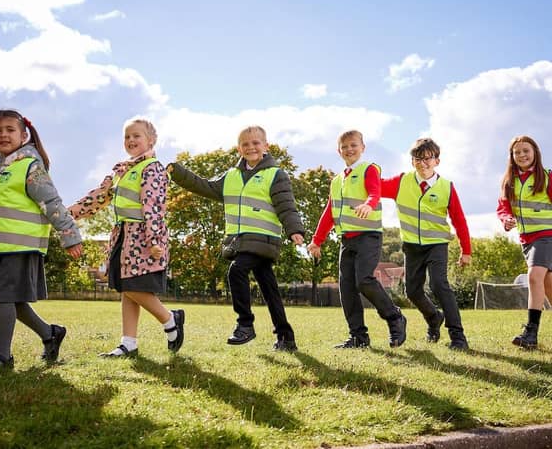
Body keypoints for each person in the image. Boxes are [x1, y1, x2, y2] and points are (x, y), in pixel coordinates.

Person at [0, 109, 83, 372]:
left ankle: (2, 357)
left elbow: (51, 203)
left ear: (24, 134)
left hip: (21, 246)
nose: (3, 134)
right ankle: (50, 334)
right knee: (14, 301)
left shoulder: (30, 166)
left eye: (10, 129)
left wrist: (70, 236)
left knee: (4, 298)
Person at [168, 125, 304, 351]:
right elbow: (205, 186)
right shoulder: (231, 176)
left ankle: (245, 325)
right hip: (240, 241)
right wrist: (177, 173)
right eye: (245, 144)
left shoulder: (275, 175)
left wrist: (294, 230)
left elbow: (287, 206)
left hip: (264, 239)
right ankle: (286, 337)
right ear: (239, 149)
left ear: (266, 146)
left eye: (256, 143)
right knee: (269, 289)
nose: (251, 147)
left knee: (236, 270)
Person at [69, 118, 184, 358]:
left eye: (136, 136)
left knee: (132, 285)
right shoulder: (122, 171)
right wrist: (69, 214)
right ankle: (128, 342)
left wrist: (154, 241)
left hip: (143, 237)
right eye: (127, 137)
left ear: (151, 140)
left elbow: (154, 207)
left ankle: (169, 318)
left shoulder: (152, 168)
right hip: (122, 234)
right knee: (125, 287)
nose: (131, 140)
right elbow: (99, 197)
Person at [308, 130, 407, 349]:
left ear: (363, 147)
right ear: (339, 151)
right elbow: (330, 211)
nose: (349, 150)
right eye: (345, 147)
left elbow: (375, 192)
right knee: (347, 288)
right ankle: (358, 337)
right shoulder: (336, 181)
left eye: (354, 145)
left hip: (368, 236)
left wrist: (368, 205)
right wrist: (317, 240)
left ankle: (394, 318)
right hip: (347, 240)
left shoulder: (368, 169)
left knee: (364, 280)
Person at [381, 137, 471, 350]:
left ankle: (458, 337)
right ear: (412, 161)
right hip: (412, 246)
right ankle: (433, 318)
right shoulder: (401, 182)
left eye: (427, 158)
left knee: (439, 284)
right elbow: (375, 186)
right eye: (417, 158)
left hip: (437, 244)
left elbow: (459, 220)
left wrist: (466, 250)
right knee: (412, 291)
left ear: (437, 161)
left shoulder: (446, 187)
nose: (422, 163)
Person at [497, 135, 552, 349]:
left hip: (547, 235)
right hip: (527, 240)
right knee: (547, 284)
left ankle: (530, 334)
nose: (522, 155)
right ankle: (531, 334)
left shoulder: (547, 177)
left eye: (526, 151)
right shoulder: (509, 181)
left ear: (535, 153)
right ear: (512, 156)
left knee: (534, 277)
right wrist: (506, 219)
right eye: (517, 152)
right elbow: (503, 207)